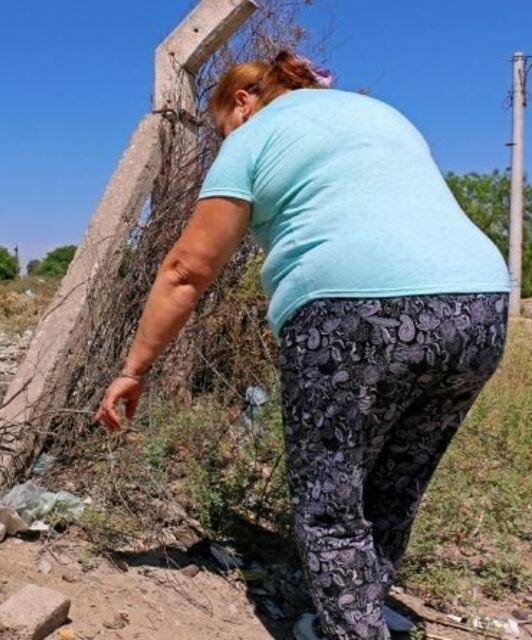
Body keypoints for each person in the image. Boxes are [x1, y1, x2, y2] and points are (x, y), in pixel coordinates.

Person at [94, 50, 510, 640]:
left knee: (329, 499)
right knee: (395, 480)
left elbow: (186, 271)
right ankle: (364, 607)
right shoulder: (377, 114)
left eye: (223, 128)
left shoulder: (255, 133)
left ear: (243, 101)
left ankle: (351, 629)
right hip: (479, 304)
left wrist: (134, 369)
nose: (225, 142)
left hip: (355, 313)